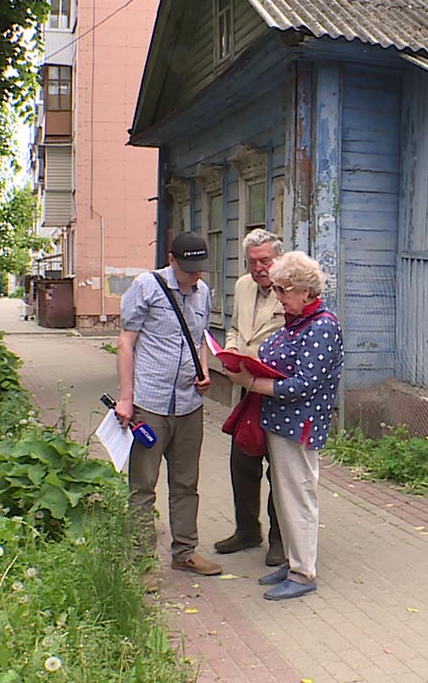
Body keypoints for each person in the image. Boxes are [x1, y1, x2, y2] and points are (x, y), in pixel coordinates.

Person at [222, 251, 344, 601]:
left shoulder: (322, 325)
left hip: (299, 425)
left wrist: (253, 383)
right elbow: (275, 355)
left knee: (298, 497)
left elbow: (305, 383)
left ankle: (304, 572)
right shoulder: (297, 321)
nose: (278, 296)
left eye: (283, 289)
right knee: (286, 497)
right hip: (278, 422)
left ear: (305, 291)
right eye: (275, 288)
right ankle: (293, 562)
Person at [115, 232, 221, 576]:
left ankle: (185, 552)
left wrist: (204, 371)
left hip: (189, 404)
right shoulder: (146, 287)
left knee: (186, 482)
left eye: (200, 269)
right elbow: (126, 344)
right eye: (189, 269)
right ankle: (141, 563)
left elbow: (199, 339)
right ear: (171, 260)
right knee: (143, 486)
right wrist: (126, 400)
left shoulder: (203, 292)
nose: (196, 276)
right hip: (150, 403)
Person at [215, 229, 287, 566]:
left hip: (277, 390)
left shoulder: (292, 286)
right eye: (253, 261)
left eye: (265, 260)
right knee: (241, 461)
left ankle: (280, 539)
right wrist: (230, 350)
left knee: (279, 468)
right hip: (245, 387)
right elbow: (235, 327)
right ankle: (247, 530)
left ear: (279, 258)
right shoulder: (243, 286)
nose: (259, 267)